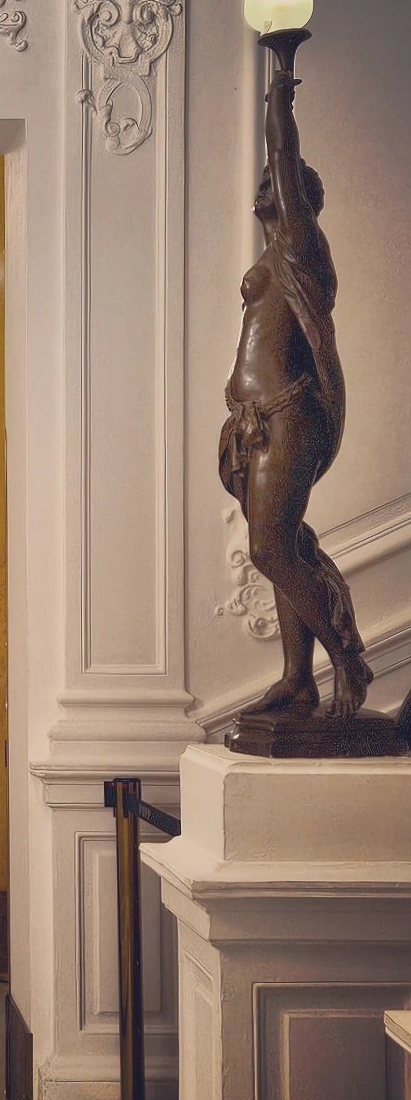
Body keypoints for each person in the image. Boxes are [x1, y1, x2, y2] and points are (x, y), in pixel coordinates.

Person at [220, 58, 372, 720]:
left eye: (275, 181)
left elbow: (284, 149)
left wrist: (278, 84)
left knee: (271, 546)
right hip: (256, 421)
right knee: (282, 544)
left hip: (290, 416)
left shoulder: (300, 242)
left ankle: (350, 662)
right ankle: (297, 679)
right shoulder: (269, 257)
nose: (264, 183)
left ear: (299, 199)